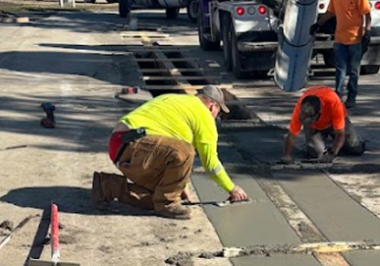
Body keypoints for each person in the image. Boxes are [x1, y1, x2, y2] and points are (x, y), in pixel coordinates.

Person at [92, 85, 248, 220]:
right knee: (187, 151)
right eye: (218, 113)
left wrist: (181, 186)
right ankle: (167, 205)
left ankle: (107, 186)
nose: (216, 117)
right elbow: (211, 164)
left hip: (120, 145)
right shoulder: (203, 115)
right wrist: (232, 188)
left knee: (161, 194)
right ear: (212, 106)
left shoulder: (176, 100)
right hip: (135, 145)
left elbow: (167, 142)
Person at [316, 0, 372, 109]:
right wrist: (318, 24)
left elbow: (367, 14)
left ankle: (351, 97)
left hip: (355, 38)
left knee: (353, 70)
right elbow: (330, 12)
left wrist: (367, 30)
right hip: (340, 38)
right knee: (340, 68)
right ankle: (338, 96)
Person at [281, 85, 366, 163]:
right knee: (315, 154)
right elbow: (291, 135)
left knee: (355, 149)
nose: (311, 121)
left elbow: (340, 133)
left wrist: (333, 153)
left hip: (333, 122)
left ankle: (349, 142)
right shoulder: (300, 109)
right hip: (315, 128)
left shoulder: (333, 101)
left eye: (312, 119)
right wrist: (286, 156)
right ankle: (314, 144)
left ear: (320, 112)